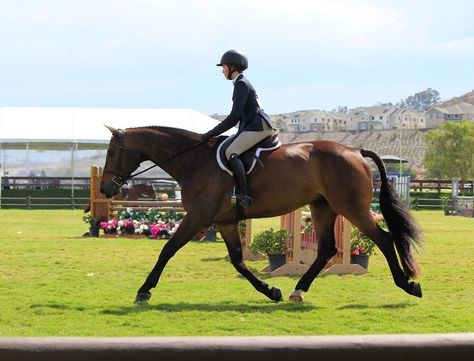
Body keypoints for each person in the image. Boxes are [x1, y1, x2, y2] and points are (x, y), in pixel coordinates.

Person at [202, 49, 278, 207]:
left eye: (223, 67)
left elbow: (234, 116)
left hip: (258, 126)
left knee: (231, 152)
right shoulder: (240, 83)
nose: (222, 71)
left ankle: (243, 193)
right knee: (229, 145)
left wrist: (210, 133)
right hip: (251, 125)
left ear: (232, 67)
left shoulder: (241, 84)